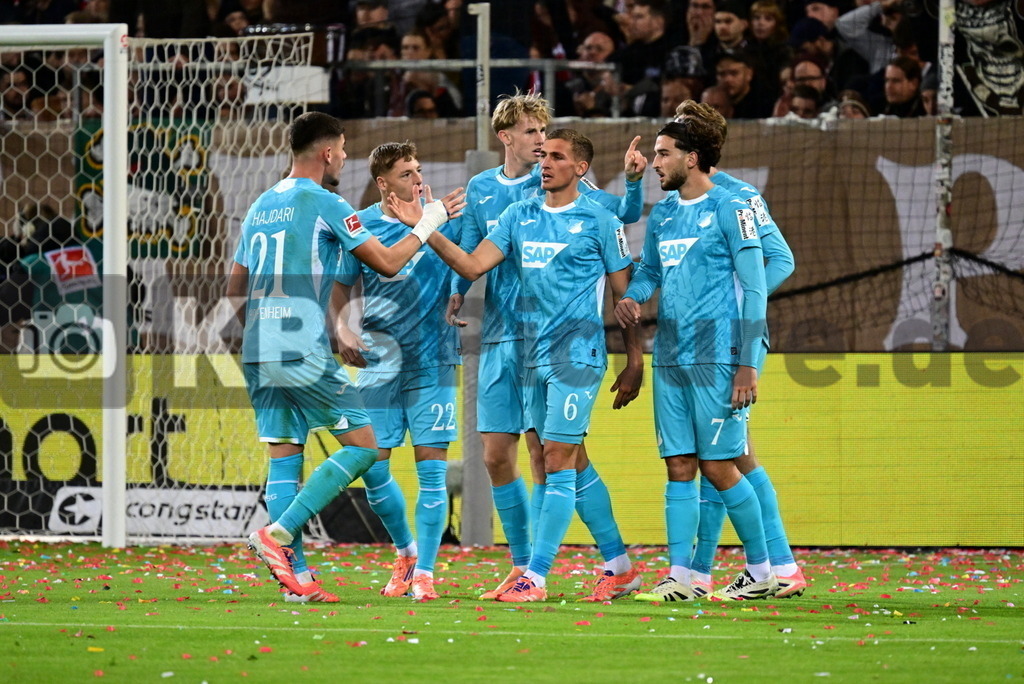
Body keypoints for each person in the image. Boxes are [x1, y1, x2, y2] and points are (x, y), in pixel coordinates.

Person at [231, 112, 462, 602]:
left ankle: (298, 580)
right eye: (340, 150)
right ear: (327, 152)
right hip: (300, 347)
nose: (343, 158)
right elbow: (388, 262)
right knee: (363, 447)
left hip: (257, 348)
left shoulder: (259, 205)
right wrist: (430, 221)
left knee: (284, 456)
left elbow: (235, 285)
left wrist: (261, 333)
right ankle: (278, 533)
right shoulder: (327, 203)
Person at [405, 128, 644, 603]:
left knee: (555, 459)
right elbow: (472, 266)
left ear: (580, 168)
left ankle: (534, 576)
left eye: (557, 156)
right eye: (544, 155)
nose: (546, 163)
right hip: (530, 357)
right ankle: (619, 567)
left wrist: (634, 359)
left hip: (578, 355)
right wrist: (425, 228)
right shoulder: (519, 215)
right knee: (572, 461)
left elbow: (626, 294)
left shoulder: (600, 220)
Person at [615, 111, 777, 602]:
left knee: (721, 467)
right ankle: (681, 578)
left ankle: (762, 570)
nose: (654, 162)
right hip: (670, 357)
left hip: (719, 358)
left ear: (692, 157)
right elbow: (650, 271)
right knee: (679, 465)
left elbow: (755, 289)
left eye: (663, 154)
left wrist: (748, 364)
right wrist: (634, 297)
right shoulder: (664, 213)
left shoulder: (734, 207)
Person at [671, 99, 807, 600]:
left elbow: (782, 260)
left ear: (698, 145)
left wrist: (734, 306)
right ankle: (703, 573)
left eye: (681, 131)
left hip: (729, 342)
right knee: (722, 456)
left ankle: (780, 566)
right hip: (694, 345)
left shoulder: (738, 196)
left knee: (737, 456)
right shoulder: (682, 200)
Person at [332, 141, 461, 602]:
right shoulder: (360, 225)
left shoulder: (443, 219)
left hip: (434, 361)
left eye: (419, 169)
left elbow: (467, 267)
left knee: (433, 474)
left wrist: (458, 293)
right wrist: (342, 330)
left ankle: (425, 572)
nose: (418, 180)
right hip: (379, 364)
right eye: (406, 173)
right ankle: (406, 553)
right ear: (383, 182)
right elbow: (339, 287)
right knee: (372, 468)